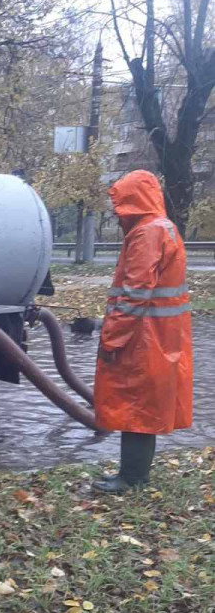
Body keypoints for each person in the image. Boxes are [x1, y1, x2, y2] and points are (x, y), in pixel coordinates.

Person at [93, 170, 193, 493]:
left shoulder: (146, 234)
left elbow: (135, 293)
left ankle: (132, 478)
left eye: (120, 203)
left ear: (133, 200)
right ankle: (134, 474)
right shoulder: (164, 228)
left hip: (142, 338)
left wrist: (112, 338)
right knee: (143, 407)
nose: (116, 211)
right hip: (160, 335)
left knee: (135, 406)